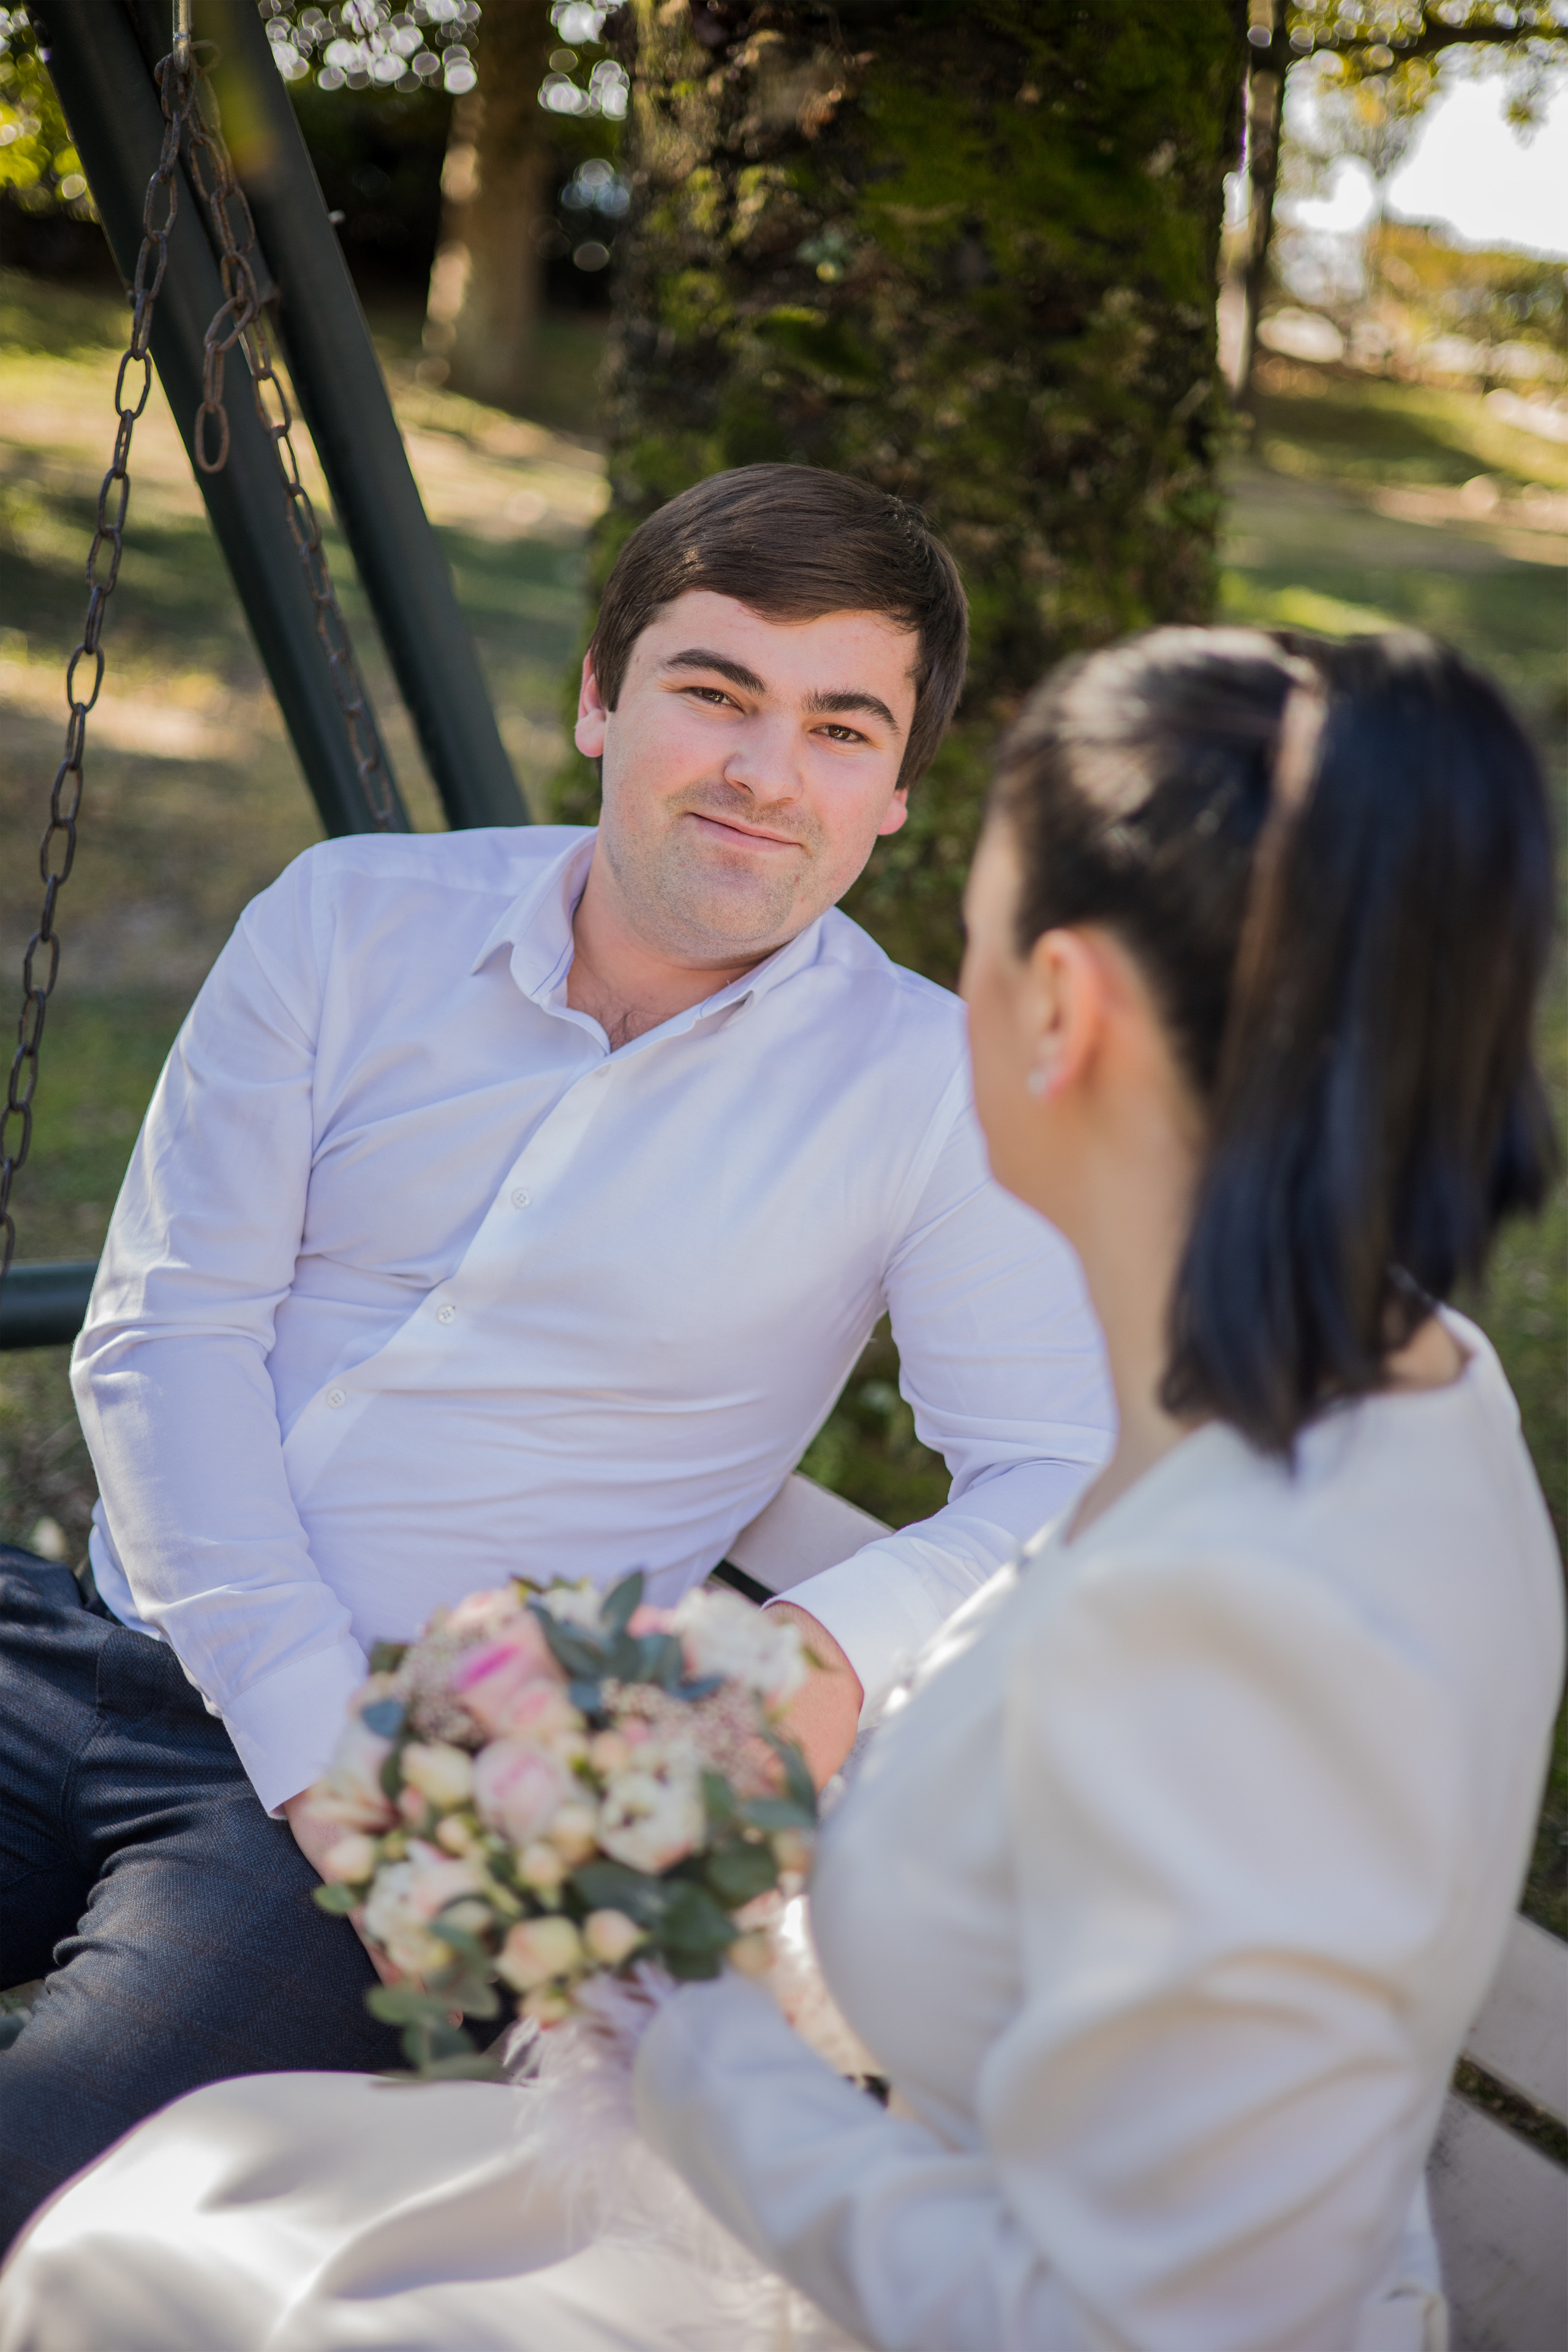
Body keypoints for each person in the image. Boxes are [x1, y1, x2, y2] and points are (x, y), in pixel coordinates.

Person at [3, 622, 1558, 2352]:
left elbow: (1120, 2306)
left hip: (868, 2266)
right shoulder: (1406, 1402)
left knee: (120, 2236)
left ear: (1067, 1008)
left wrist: (648, 1995)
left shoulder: (1220, 1601)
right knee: (196, 2190)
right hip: (846, 2164)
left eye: (965, 943)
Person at [0, 465, 1115, 2248]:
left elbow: (1066, 1473)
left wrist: (822, 1647)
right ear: (603, 695)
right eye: (716, 691)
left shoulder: (930, 1095)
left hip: (365, 1832)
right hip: (93, 1642)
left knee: (31, 2176)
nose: (766, 771)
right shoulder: (348, 923)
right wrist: (316, 1750)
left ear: (898, 796)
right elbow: (167, 1331)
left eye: (841, 727)